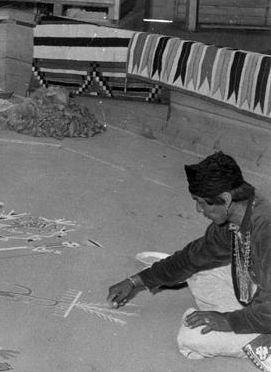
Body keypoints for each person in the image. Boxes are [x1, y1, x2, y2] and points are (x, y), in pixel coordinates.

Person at [107, 151, 271, 359]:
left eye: (201, 202)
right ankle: (244, 320)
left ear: (226, 199)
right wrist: (136, 281)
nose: (197, 209)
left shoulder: (266, 230)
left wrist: (228, 321)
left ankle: (264, 344)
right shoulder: (240, 215)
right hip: (263, 292)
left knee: (191, 338)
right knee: (197, 271)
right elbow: (193, 258)